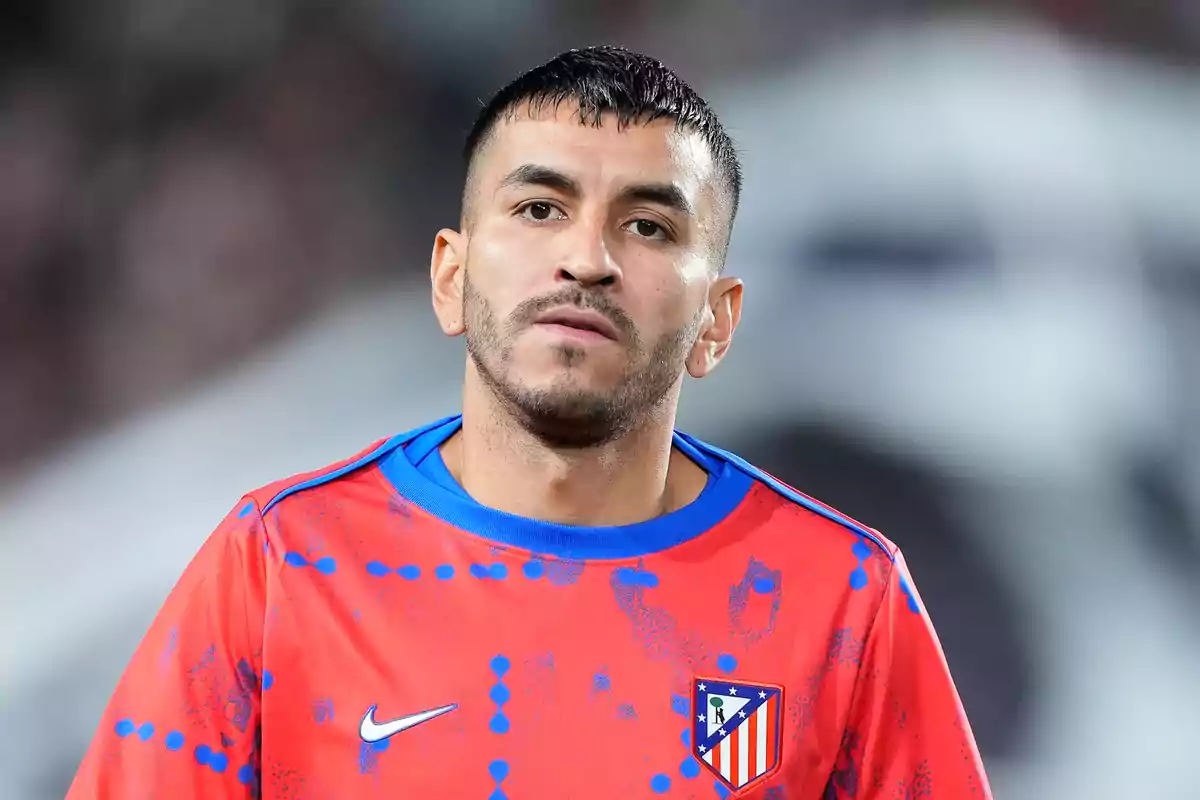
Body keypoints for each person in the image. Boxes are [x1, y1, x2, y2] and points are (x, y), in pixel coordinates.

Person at [68, 46, 992, 799]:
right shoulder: (280, 564)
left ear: (717, 322)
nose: (585, 258)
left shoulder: (843, 598)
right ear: (449, 277)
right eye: (540, 208)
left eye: (649, 228)